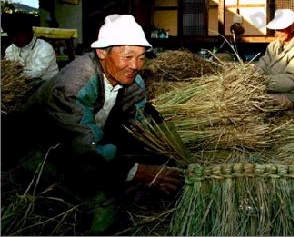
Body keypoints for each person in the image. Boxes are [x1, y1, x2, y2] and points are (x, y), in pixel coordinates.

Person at [6, 14, 183, 233]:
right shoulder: (72, 86)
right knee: (104, 201)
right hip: (40, 149)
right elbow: (82, 149)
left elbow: (138, 126)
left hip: (82, 142)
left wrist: (166, 155)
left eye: (141, 57)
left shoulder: (131, 82)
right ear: (101, 53)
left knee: (130, 174)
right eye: (128, 56)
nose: (135, 65)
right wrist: (140, 172)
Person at [255, 9, 294, 111]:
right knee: (247, 99)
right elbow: (263, 64)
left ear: (291, 27)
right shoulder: (272, 46)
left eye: (282, 29)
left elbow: (292, 79)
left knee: (261, 103)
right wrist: (253, 77)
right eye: (276, 30)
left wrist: (263, 83)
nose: (278, 33)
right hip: (271, 89)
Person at [2, 13, 59, 81]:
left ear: (29, 33)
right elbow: (10, 71)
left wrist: (15, 72)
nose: (14, 39)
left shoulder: (45, 48)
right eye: (11, 36)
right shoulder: (10, 49)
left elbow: (36, 73)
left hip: (47, 87)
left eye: (17, 36)